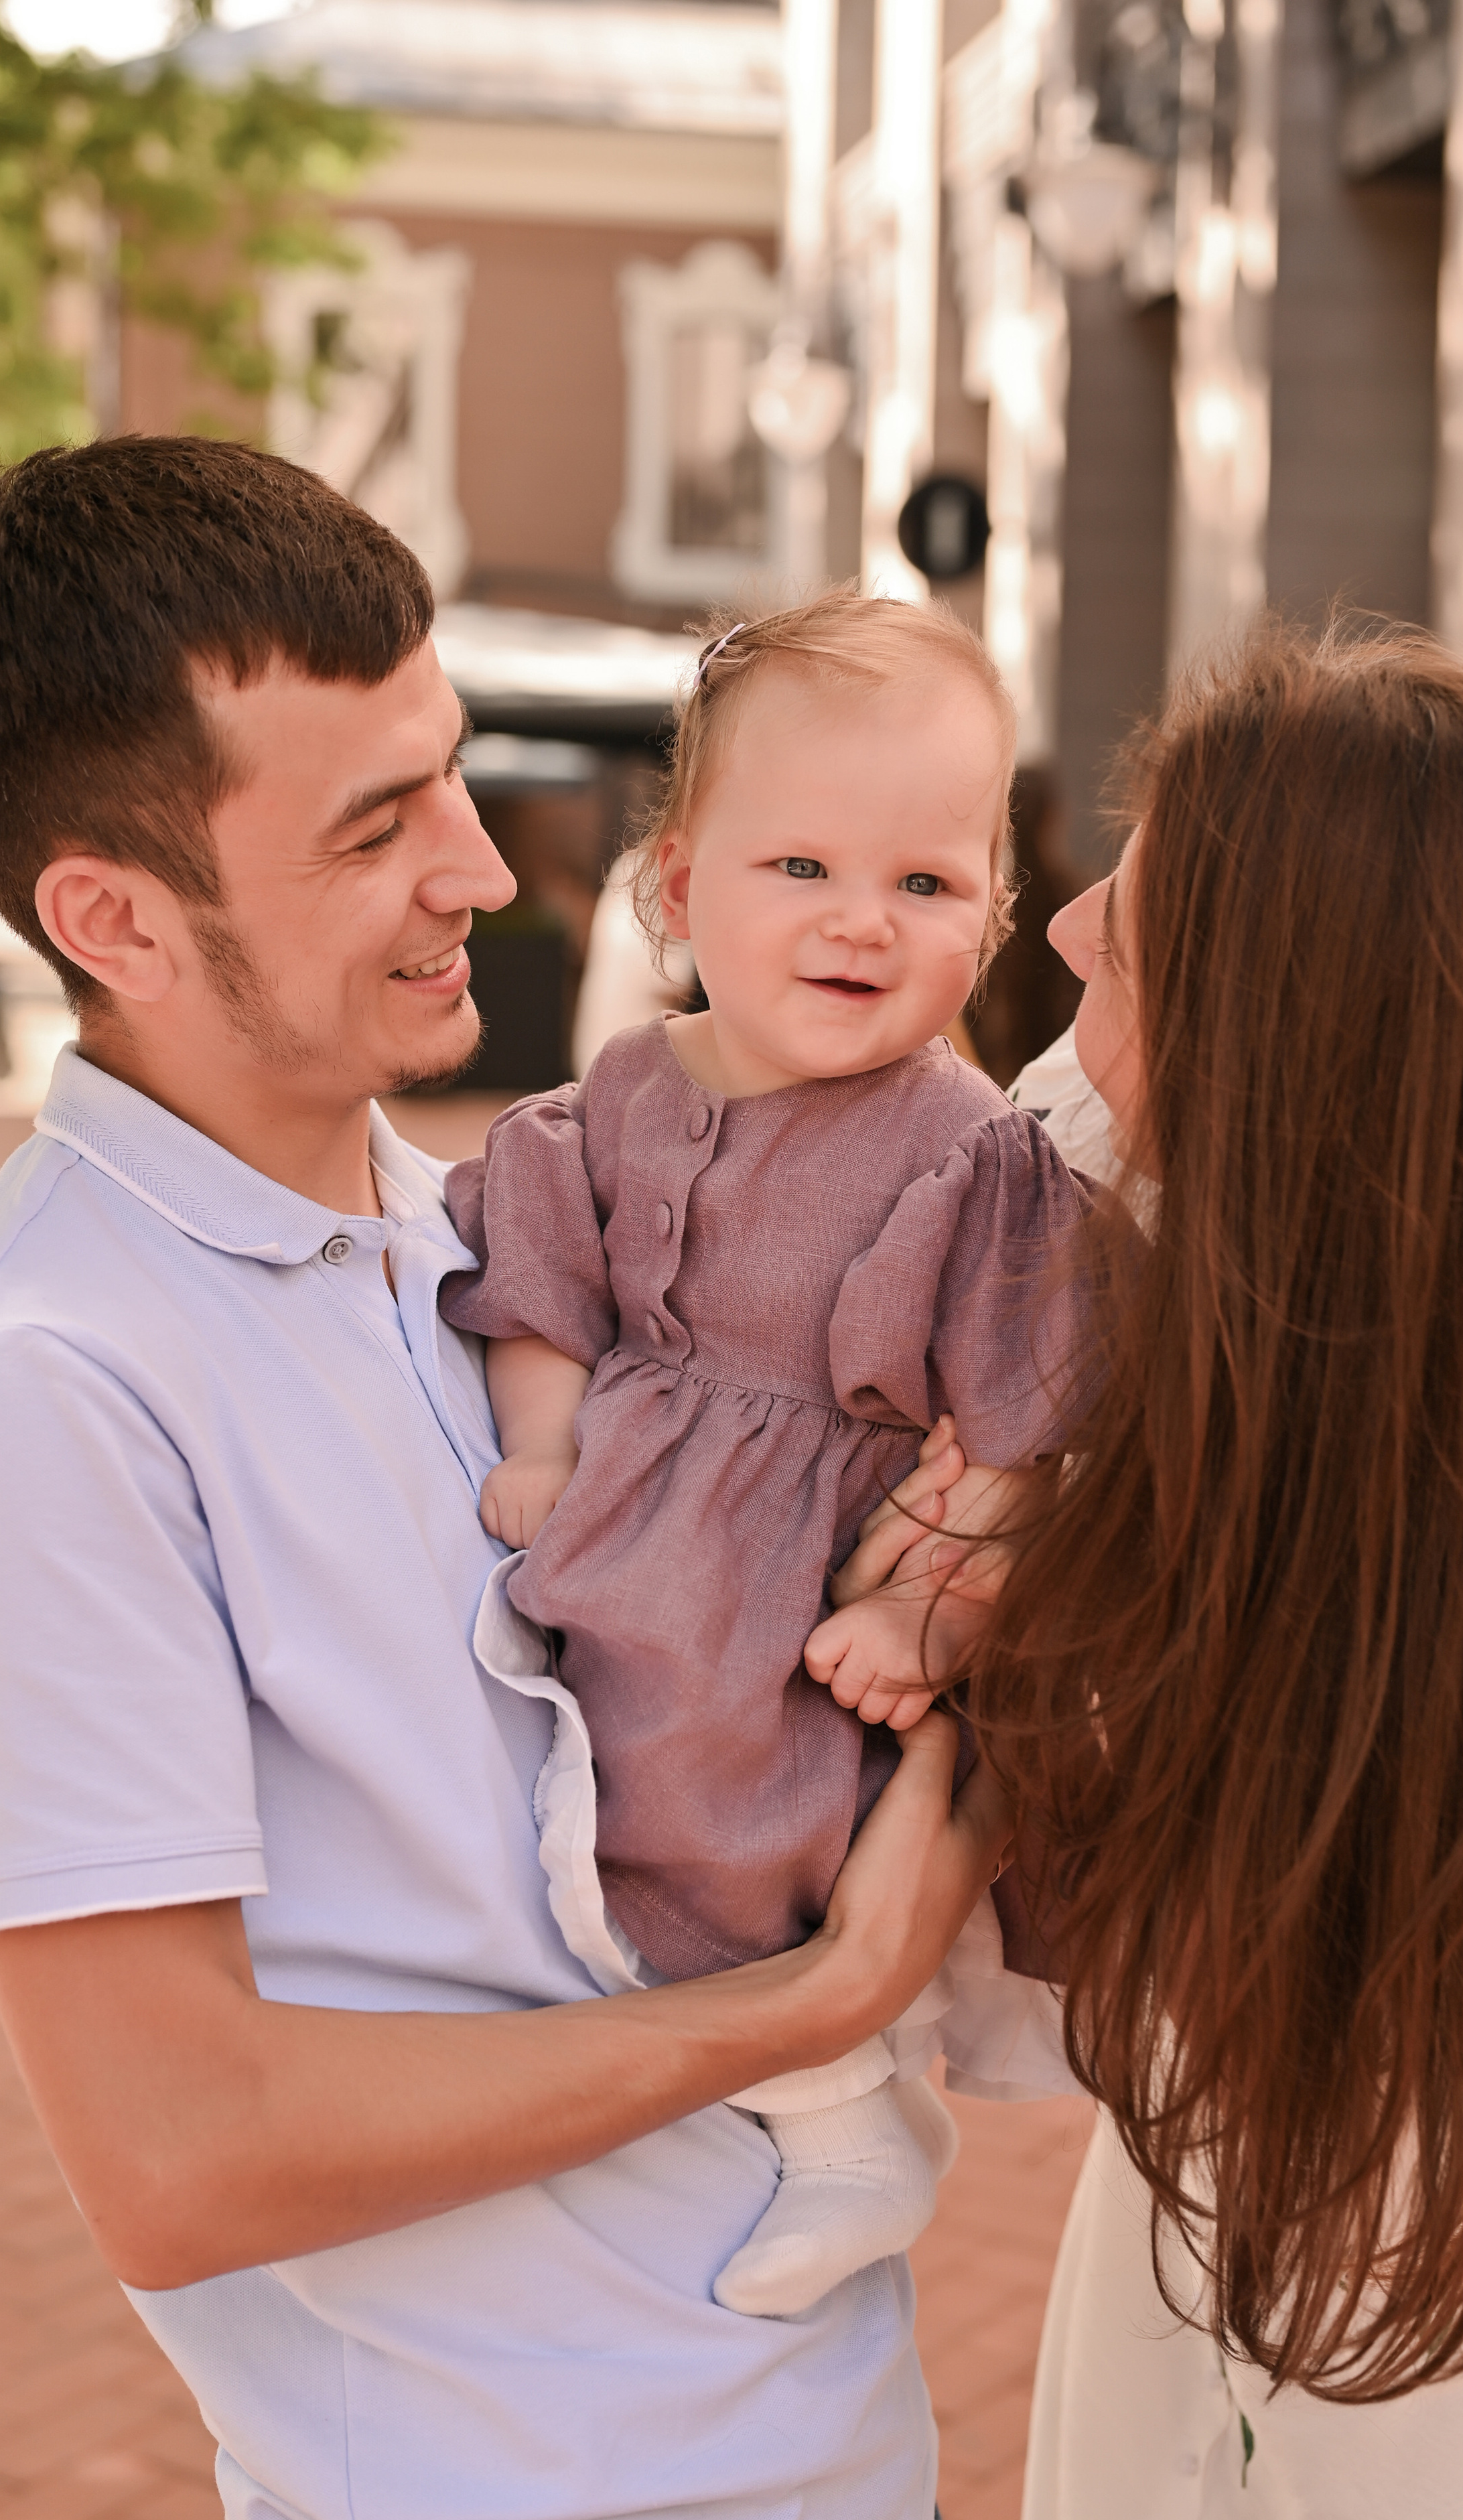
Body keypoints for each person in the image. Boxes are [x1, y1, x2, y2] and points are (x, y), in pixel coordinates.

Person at [0, 436, 1010, 2520]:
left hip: (852, 2482)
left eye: (447, 770)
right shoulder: (53, 1378)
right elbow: (181, 2153)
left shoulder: (497, 1223)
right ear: (113, 919)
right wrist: (814, 2006)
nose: (476, 863)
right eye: (376, 826)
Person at [963, 624, 1463, 2520]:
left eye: (1145, 928)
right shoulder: (1214, 1299)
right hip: (1240, 2303)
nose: (1069, 927)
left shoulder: (1288, 1472)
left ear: (1288, 1068)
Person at [439, 594, 1087, 2323]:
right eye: (800, 866)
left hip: (791, 1585)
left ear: (989, 919)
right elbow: (540, 1273)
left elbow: (1026, 1422)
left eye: (924, 883)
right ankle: (638, 2062)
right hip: (629, 1538)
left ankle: (842, 2108)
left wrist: (934, 1614)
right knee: (577, 1786)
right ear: (678, 886)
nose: (861, 919)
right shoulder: (621, 1090)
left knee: (751, 1813)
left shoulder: (971, 1150)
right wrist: (545, 1436)